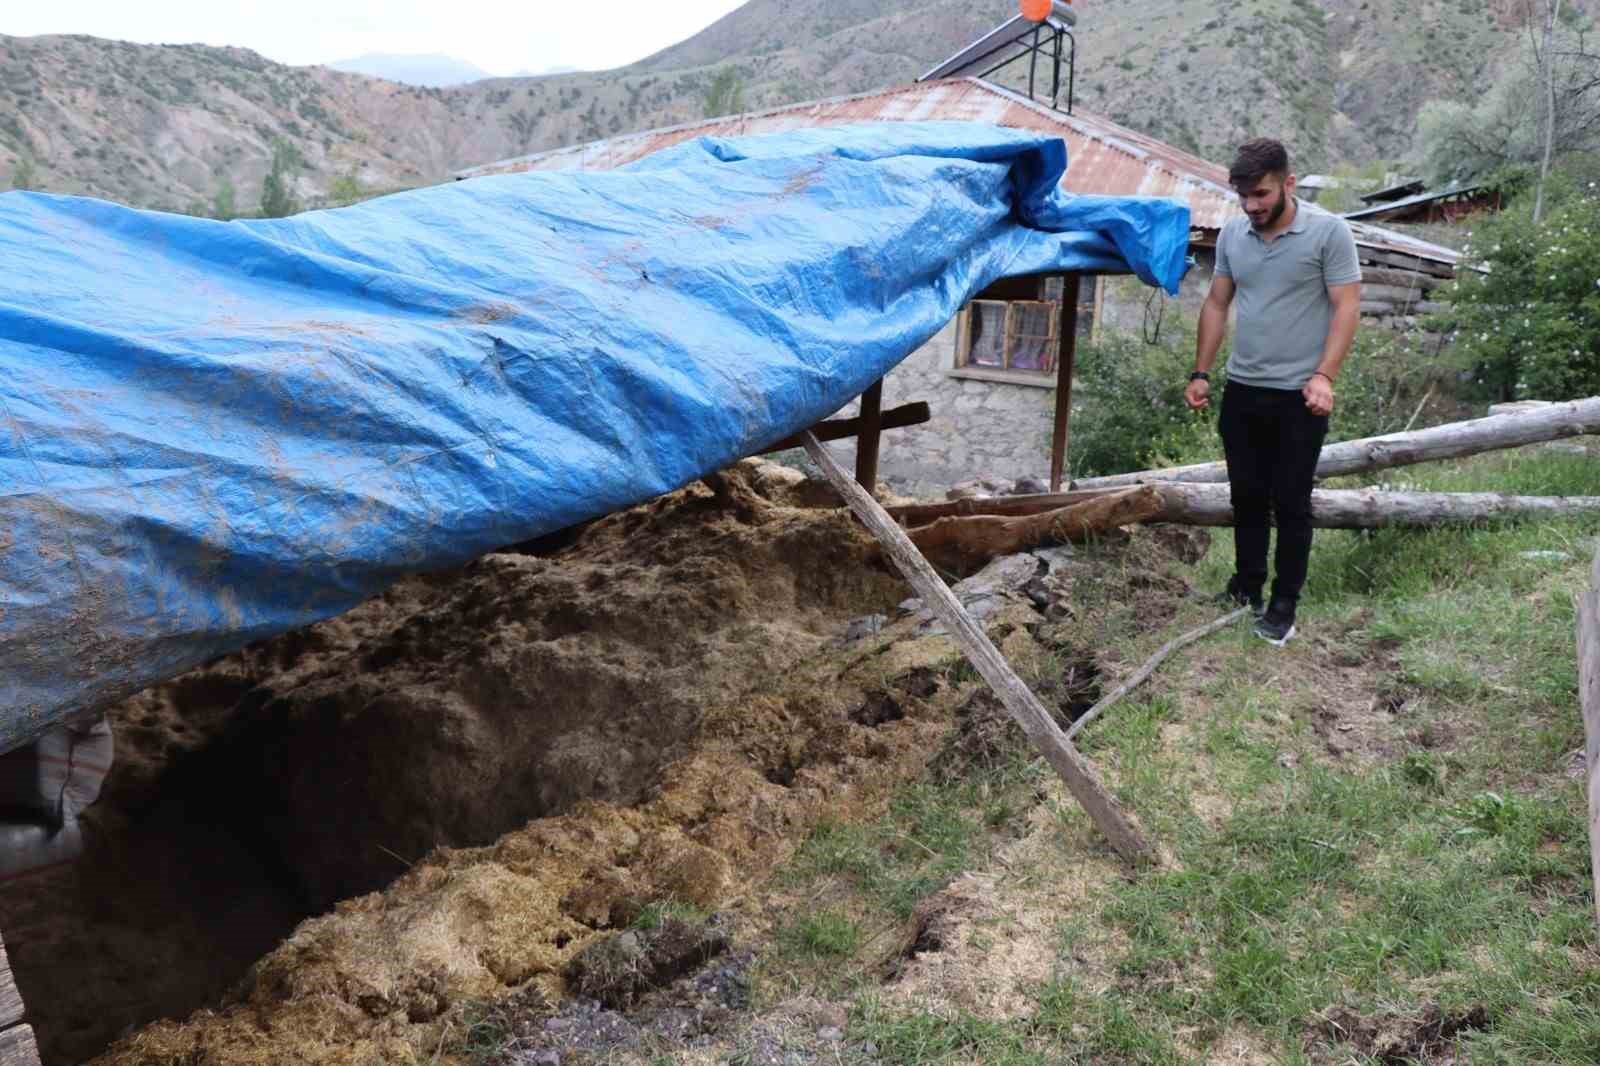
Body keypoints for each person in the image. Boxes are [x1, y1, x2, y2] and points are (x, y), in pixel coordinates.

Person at [1185, 139, 1362, 646]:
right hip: (1243, 390)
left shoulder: (1329, 233)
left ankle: (1284, 604)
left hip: (1299, 398)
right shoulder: (1234, 236)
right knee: (1246, 499)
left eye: (1261, 194)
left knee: (1291, 502)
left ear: (1288, 182)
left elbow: (1346, 308)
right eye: (1243, 197)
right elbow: (1217, 304)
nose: (1252, 206)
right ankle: (1246, 588)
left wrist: (1325, 376)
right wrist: (1201, 373)